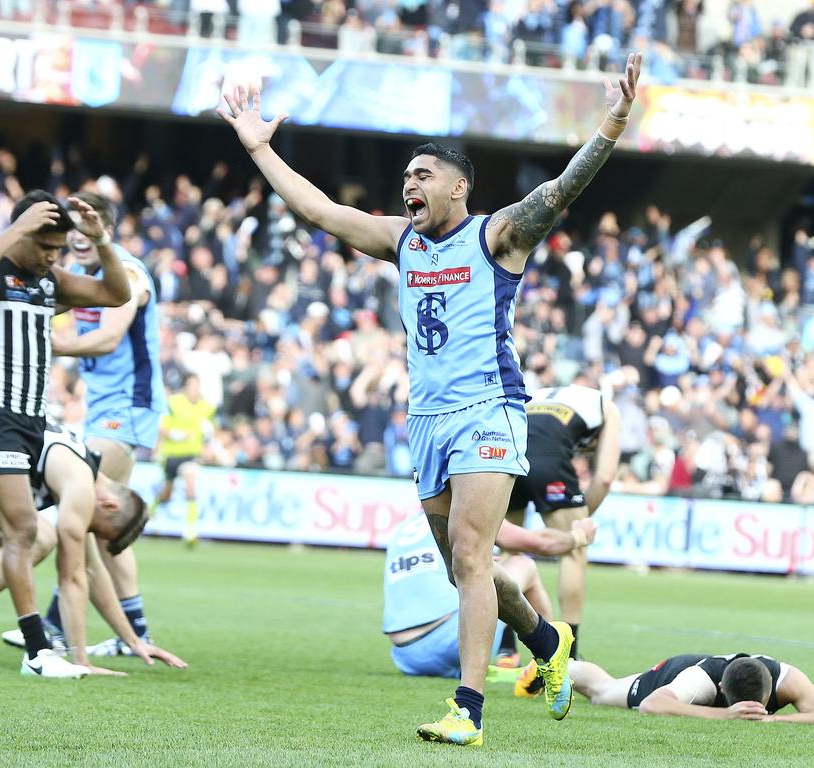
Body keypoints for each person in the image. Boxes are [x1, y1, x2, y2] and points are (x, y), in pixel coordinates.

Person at [218, 52, 643, 745]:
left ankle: (467, 712)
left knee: (473, 559)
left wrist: (613, 124)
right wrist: (260, 149)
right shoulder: (401, 242)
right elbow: (318, 210)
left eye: (422, 175)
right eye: (406, 176)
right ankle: (548, 644)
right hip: (428, 420)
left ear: (458, 189)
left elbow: (562, 191)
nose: (408, 184)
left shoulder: (496, 235)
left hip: (489, 409)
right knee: (465, 570)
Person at [0, 190, 131, 676]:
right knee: (24, 529)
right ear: (23, 233)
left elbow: (116, 294)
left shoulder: (48, 283)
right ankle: (37, 652)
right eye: (44, 246)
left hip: (31, 424)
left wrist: (101, 241)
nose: (52, 257)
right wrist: (15, 228)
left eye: (59, 249)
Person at [0, 419, 185, 676]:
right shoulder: (79, 480)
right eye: (95, 528)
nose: (87, 532)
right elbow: (72, 578)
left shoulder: (80, 468)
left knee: (24, 534)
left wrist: (133, 640)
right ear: (109, 504)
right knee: (38, 535)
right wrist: (81, 660)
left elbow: (91, 569)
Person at [44, 190, 168, 658]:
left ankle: (56, 625)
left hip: (130, 406)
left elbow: (108, 337)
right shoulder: (76, 274)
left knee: (86, 506)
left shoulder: (131, 274)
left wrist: (45, 345)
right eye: (70, 229)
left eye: (84, 228)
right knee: (101, 521)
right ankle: (133, 632)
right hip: (101, 406)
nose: (76, 237)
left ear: (104, 229)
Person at [384, 511, 596, 688]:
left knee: (485, 571)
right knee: (524, 565)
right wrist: (578, 536)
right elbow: (540, 544)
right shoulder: (464, 512)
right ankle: (552, 662)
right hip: (450, 641)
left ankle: (526, 658)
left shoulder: (405, 526)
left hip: (406, 655)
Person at [508, 384, 621, 659]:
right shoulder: (607, 405)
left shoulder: (540, 393)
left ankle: (506, 650)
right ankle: (569, 653)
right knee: (574, 550)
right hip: (549, 455)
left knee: (509, 553)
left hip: (508, 451)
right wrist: (581, 519)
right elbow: (605, 477)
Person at [569, 653, 814, 726]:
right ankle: (564, 665)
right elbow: (652, 705)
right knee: (602, 693)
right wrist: (724, 715)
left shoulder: (787, 679)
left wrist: (775, 719)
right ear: (722, 690)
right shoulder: (701, 681)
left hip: (726, 669)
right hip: (676, 671)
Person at [154, 372, 216, 545]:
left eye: (197, 385)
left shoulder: (206, 407)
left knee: (191, 487)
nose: (194, 389)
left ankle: (190, 531)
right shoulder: (174, 403)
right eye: (191, 385)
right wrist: (177, 434)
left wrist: (208, 442)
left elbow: (211, 430)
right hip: (172, 454)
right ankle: (150, 512)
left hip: (191, 455)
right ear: (185, 387)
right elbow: (162, 428)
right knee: (166, 494)